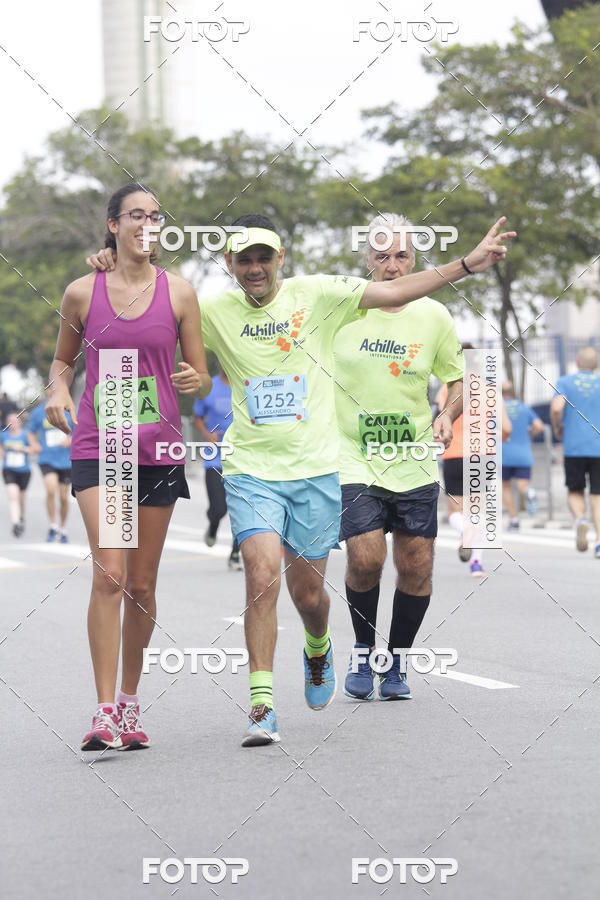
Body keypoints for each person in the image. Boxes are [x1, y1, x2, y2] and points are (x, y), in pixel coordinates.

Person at [89, 212, 516, 746]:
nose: (254, 267)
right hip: (251, 468)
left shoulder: (319, 295)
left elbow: (402, 291)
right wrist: (112, 261)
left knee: (310, 595)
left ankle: (319, 642)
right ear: (228, 264)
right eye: (243, 258)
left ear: (280, 259)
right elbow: (147, 308)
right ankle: (262, 705)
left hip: (315, 470)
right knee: (261, 574)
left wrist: (468, 265)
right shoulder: (211, 307)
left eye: (263, 257)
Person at [46, 183, 211, 752]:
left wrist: (196, 381)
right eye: (136, 215)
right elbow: (62, 361)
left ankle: (130, 701)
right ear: (113, 225)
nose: (147, 222)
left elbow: (201, 373)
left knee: (141, 584)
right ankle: (101, 711)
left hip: (159, 449)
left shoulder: (182, 293)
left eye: (155, 216)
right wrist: (57, 390)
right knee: (111, 573)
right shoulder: (82, 293)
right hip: (102, 446)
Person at [334, 214, 463, 701]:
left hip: (411, 459)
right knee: (365, 556)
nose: (392, 266)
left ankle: (396, 661)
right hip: (352, 456)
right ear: (367, 258)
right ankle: (364, 651)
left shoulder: (433, 316)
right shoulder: (342, 309)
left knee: (416, 564)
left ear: (415, 259)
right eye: (382, 256)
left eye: (402, 256)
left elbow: (456, 380)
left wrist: (446, 414)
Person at [437, 350, 512, 576]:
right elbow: (506, 428)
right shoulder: (490, 391)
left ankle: (464, 530)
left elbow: (441, 417)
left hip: (454, 454)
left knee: (455, 512)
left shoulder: (448, 388)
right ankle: (476, 564)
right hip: (482, 456)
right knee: (477, 512)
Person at [550, 346, 600, 557]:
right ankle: (599, 543)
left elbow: (556, 408)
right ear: (596, 365)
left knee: (575, 490)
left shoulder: (565, 382)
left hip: (573, 448)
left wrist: (556, 427)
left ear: (577, 363)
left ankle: (580, 520)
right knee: (597, 496)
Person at [193, 363, 241, 569]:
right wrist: (206, 434)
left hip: (240, 459)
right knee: (219, 508)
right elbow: (197, 418)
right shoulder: (208, 387)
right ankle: (213, 525)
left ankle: (235, 553)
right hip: (214, 458)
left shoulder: (242, 386)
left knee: (241, 511)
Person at [28, 387, 73, 542]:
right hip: (46, 458)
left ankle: (63, 528)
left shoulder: (70, 409)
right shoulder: (39, 412)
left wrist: (71, 440)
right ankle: (53, 525)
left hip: (66, 460)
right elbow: (30, 432)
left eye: (56, 387)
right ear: (46, 390)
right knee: (51, 489)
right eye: (50, 388)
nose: (53, 391)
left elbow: (81, 431)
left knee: (63, 497)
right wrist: (34, 444)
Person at [501, 381, 544, 530]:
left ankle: (514, 520)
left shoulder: (497, 409)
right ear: (513, 392)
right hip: (523, 454)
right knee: (522, 485)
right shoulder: (524, 408)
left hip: (503, 454)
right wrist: (529, 435)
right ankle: (529, 492)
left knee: (505, 487)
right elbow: (539, 426)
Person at [0, 412, 33, 536]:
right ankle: (16, 523)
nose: (12, 424)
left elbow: (35, 448)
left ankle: (21, 516)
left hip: (24, 471)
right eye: (10, 421)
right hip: (9, 470)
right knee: (13, 496)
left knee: (21, 499)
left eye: (14, 421)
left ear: (19, 422)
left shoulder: (26, 434)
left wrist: (22, 449)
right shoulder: (3, 436)